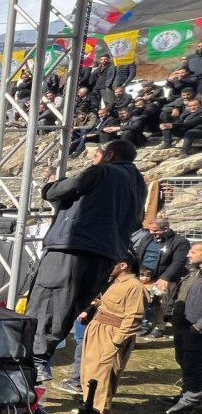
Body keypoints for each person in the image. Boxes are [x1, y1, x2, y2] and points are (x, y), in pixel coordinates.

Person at [27, 139, 147, 382]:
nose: (93, 160)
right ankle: (41, 359)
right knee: (70, 306)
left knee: (48, 302)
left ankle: (34, 361)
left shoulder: (102, 171)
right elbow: (136, 222)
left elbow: (56, 192)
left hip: (72, 247)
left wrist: (52, 183)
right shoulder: (139, 185)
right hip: (106, 255)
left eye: (96, 155)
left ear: (109, 155)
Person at [80, 255, 147, 414]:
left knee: (104, 374)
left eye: (111, 263)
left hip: (112, 334)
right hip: (98, 329)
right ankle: (89, 407)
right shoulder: (114, 282)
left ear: (123, 265)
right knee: (90, 371)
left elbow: (133, 319)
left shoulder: (135, 287)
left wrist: (116, 342)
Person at [165, 242, 202, 414]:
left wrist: (198, 327)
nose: (188, 255)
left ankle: (190, 402)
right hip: (182, 325)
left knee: (194, 366)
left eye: (193, 252)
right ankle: (186, 394)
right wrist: (169, 313)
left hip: (196, 330)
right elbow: (179, 294)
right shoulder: (193, 273)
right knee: (185, 362)